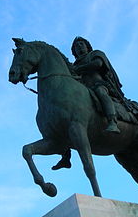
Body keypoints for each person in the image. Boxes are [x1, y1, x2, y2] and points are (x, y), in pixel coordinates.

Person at [52, 36, 125, 170]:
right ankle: (65, 156)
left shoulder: (95, 54)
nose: (79, 47)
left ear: (87, 46)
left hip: (98, 84)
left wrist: (79, 69)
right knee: (68, 117)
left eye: (81, 44)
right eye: (76, 46)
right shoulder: (73, 65)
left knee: (102, 94)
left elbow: (98, 64)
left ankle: (112, 122)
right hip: (82, 91)